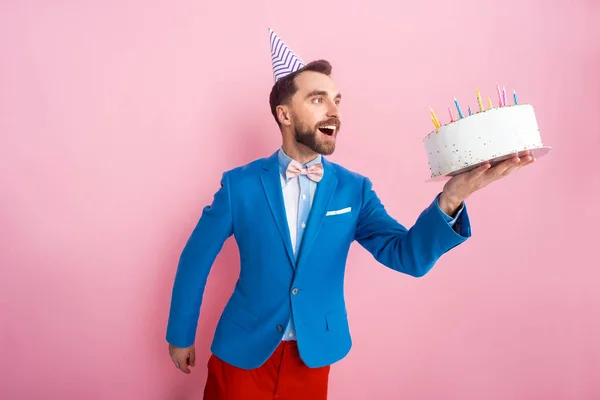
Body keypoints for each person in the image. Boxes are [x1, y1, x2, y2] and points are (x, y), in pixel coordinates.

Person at [165, 29, 535, 400]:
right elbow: (196, 258)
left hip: (313, 354)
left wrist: (452, 197)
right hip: (242, 352)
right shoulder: (239, 185)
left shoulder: (353, 190)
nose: (334, 111)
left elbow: (406, 255)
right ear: (285, 114)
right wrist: (180, 335)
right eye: (318, 99)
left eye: (337, 100)